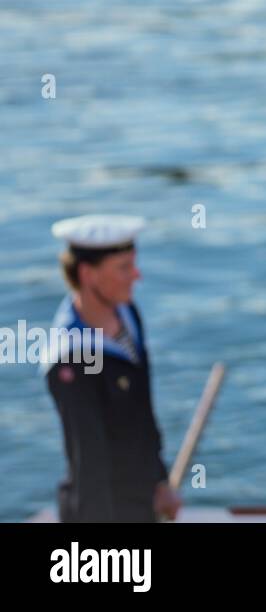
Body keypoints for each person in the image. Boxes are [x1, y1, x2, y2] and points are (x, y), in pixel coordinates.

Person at [45, 215, 181, 522]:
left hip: (141, 499)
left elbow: (142, 413)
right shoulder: (73, 359)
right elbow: (88, 463)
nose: (136, 275)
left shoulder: (127, 315)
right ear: (87, 274)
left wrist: (159, 481)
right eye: (123, 267)